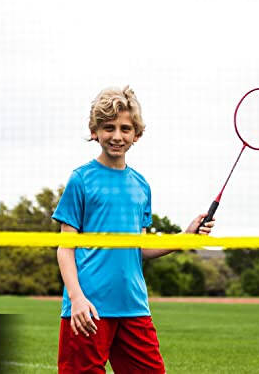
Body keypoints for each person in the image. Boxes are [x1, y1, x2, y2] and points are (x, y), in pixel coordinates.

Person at [52, 85, 214, 374]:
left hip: (133, 306)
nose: (117, 136)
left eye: (125, 128)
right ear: (94, 131)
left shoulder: (141, 186)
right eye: (108, 127)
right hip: (88, 308)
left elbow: (139, 248)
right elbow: (65, 249)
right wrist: (76, 298)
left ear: (136, 134)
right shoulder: (81, 180)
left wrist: (185, 236)